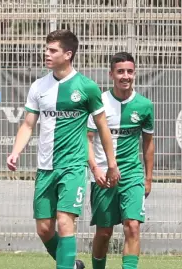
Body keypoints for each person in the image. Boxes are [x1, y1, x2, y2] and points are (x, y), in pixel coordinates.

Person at [6, 29, 120, 269]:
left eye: (52, 50)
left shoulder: (87, 87)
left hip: (73, 166)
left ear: (68, 54)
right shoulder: (38, 86)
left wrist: (111, 164)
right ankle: (72, 264)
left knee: (65, 221)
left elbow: (102, 128)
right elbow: (28, 124)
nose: (46, 54)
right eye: (46, 49)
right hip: (45, 167)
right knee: (44, 229)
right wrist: (16, 151)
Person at [88, 52, 154, 269]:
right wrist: (95, 168)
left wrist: (148, 178)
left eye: (129, 71)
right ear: (111, 74)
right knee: (104, 232)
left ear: (134, 73)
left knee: (133, 226)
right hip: (103, 176)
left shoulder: (144, 105)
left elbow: (148, 143)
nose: (125, 76)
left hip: (132, 174)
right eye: (120, 72)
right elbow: (87, 139)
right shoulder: (99, 103)